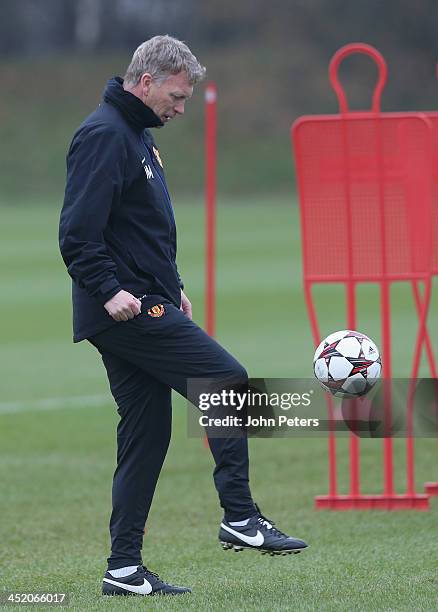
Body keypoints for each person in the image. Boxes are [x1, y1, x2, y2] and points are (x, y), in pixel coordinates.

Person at [59, 35, 307, 598]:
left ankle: (123, 569)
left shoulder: (137, 135)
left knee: (146, 436)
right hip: (124, 308)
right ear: (145, 82)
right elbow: (77, 233)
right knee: (228, 384)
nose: (181, 107)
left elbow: (142, 230)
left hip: (146, 300)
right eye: (176, 94)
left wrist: (176, 290)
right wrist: (108, 291)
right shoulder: (103, 135)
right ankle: (241, 517)